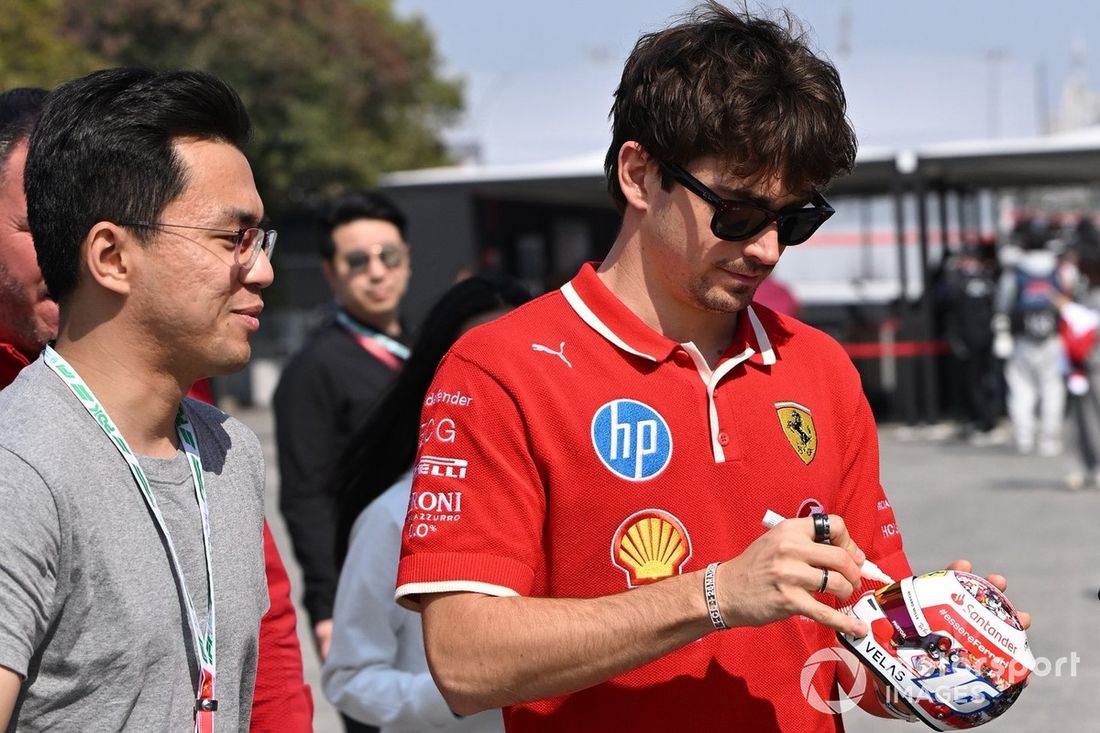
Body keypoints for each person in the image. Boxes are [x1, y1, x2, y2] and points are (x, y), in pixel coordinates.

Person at [395, 4, 1028, 732]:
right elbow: (465, 661)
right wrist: (717, 594)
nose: (766, 248)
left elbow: (855, 660)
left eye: (793, 220)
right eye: (737, 211)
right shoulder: (499, 367)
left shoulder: (819, 366)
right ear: (640, 174)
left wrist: (941, 654)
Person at [0, 84, 313, 733]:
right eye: (232, 237)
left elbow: (266, 653)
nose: (261, 271)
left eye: (261, 238)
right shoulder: (19, 465)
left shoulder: (226, 447)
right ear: (112, 257)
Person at [322, 274, 530, 733]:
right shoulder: (395, 515)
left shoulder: (585, 500)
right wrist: (457, 697)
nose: (507, 382)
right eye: (482, 362)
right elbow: (349, 678)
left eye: (523, 356)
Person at [274, 191, 412, 670]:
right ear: (331, 272)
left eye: (388, 257)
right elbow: (306, 497)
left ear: (407, 262)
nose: (377, 272)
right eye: (357, 261)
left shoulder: (427, 351)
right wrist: (328, 607)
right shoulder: (311, 370)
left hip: (428, 582)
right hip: (363, 592)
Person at [993, 226, 1072, 455]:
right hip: (1053, 340)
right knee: (1052, 389)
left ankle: (1024, 437)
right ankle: (1049, 440)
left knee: (1021, 388)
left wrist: (1002, 335)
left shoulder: (1015, 272)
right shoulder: (1058, 270)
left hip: (1022, 340)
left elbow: (1002, 305)